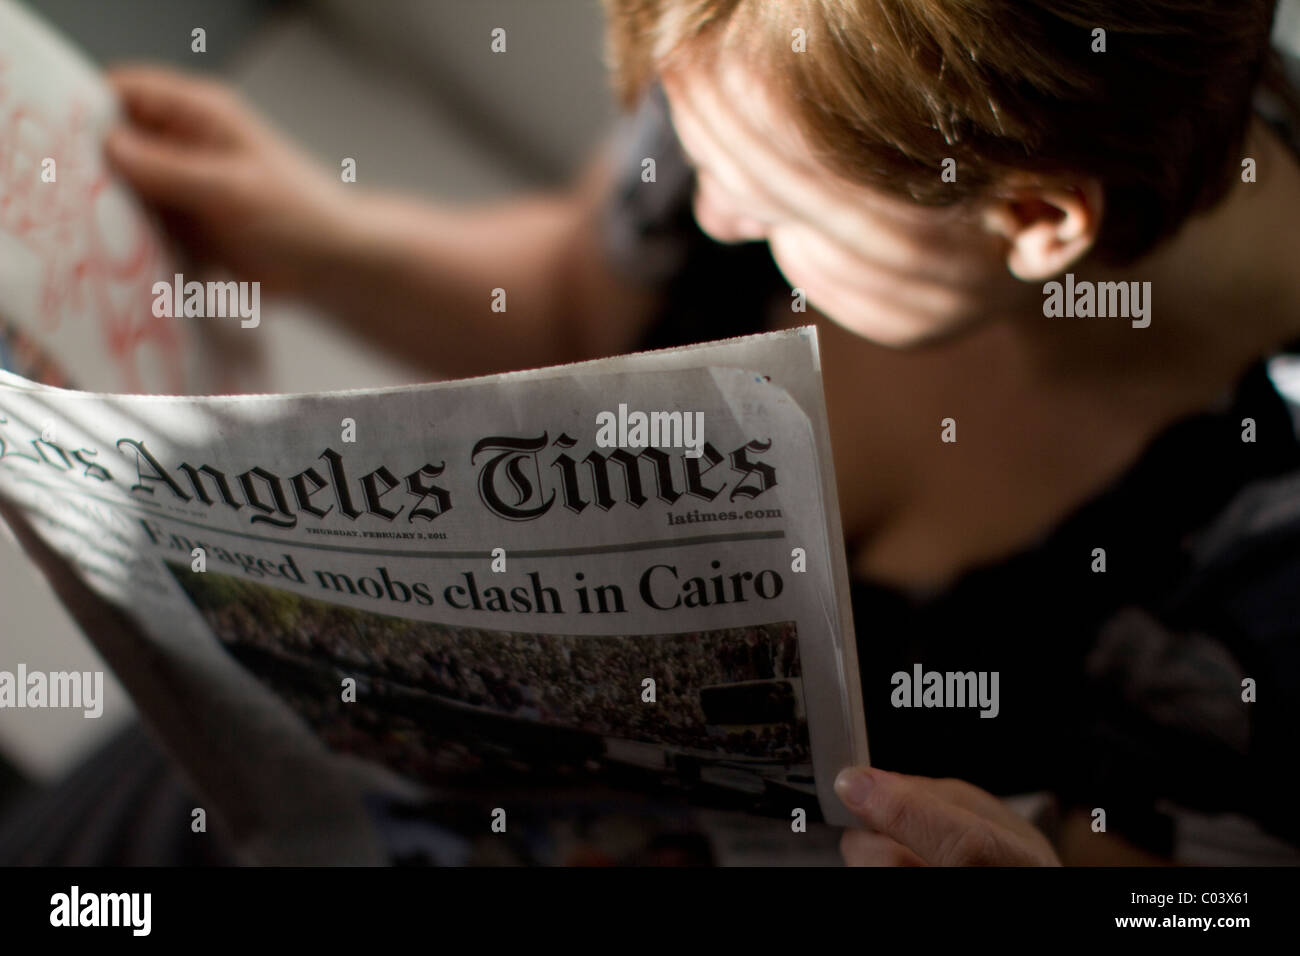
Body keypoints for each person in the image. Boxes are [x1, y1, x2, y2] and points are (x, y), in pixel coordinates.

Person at [96, 0, 1300, 865]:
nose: (711, 211)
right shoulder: (764, 45)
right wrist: (325, 242)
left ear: (1035, 220)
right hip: (278, 771)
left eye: (772, 207)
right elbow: (580, 303)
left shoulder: (1259, 575)